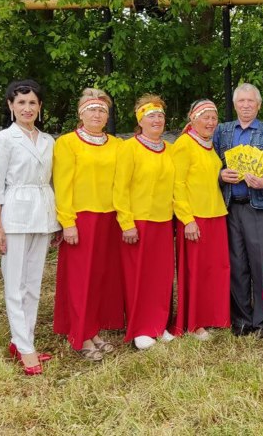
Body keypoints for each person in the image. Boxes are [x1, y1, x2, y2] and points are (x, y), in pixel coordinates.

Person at [0, 80, 59, 375]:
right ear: (10, 106)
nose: (27, 108)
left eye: (32, 103)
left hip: (43, 213)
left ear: (40, 107)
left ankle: (24, 341)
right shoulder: (3, 139)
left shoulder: (48, 141)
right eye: (21, 103)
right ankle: (24, 346)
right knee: (14, 283)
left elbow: (52, 180)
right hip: (15, 214)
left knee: (33, 283)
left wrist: (56, 222)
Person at [52, 88, 124, 360]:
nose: (97, 114)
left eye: (102, 110)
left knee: (99, 277)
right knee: (80, 278)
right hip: (82, 217)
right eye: (92, 109)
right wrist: (67, 221)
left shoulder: (116, 144)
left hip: (109, 218)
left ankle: (92, 328)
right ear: (81, 114)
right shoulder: (68, 143)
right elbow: (63, 184)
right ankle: (79, 334)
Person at [213, 83, 263, 337]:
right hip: (231, 206)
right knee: (236, 264)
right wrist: (220, 175)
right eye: (241, 101)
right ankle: (241, 319)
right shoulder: (222, 132)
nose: (245, 105)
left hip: (261, 206)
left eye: (250, 101)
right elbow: (210, 165)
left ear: (259, 105)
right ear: (234, 105)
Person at [113, 95, 176, 350]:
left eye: (160, 116)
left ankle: (159, 325)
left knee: (161, 276)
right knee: (138, 275)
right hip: (138, 220)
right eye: (151, 116)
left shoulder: (170, 149)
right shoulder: (129, 147)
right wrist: (126, 222)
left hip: (163, 220)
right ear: (140, 120)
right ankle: (140, 328)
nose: (157, 120)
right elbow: (120, 188)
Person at [170, 99, 231, 340]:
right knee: (196, 271)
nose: (211, 122)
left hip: (215, 213)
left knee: (215, 269)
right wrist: (187, 219)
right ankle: (194, 322)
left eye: (214, 117)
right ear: (192, 119)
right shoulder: (185, 144)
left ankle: (212, 316)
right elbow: (178, 184)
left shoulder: (208, 144)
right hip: (195, 217)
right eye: (205, 117)